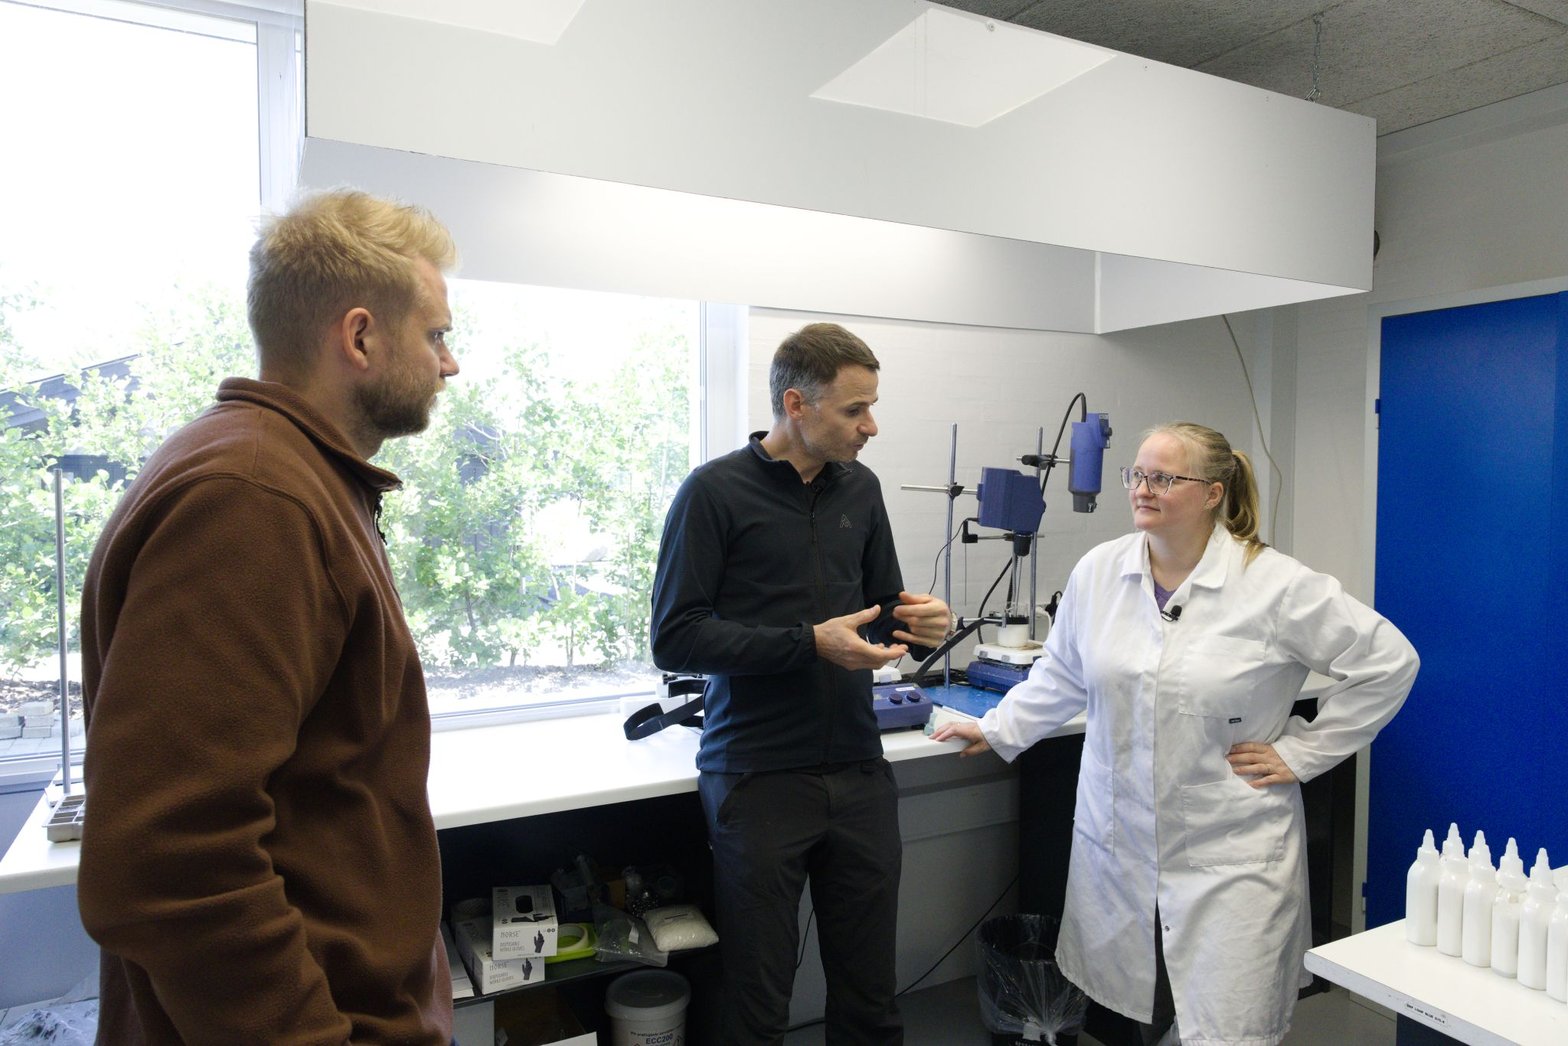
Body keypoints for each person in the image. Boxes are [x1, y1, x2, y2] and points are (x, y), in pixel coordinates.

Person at [76, 189, 461, 1044]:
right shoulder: (253, 497)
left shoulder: (291, 473)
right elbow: (167, 863)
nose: (450, 364)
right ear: (360, 337)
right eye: (436, 334)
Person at [933, 422, 1419, 1046]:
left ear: (1213, 493)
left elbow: (1389, 663)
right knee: (1143, 1006)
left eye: (1164, 478)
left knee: (1226, 1023)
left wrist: (1303, 752)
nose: (1143, 488)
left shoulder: (1273, 585)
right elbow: (1062, 675)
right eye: (1136, 475)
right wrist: (998, 729)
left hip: (1231, 847)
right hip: (1120, 845)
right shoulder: (1100, 572)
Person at [649, 322, 950, 1045]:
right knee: (758, 1000)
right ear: (796, 405)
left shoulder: (861, 489)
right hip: (757, 775)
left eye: (871, 407)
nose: (870, 426)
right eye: (854, 410)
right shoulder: (713, 492)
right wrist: (808, 643)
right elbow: (675, 638)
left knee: (870, 995)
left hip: (857, 768)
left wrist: (921, 622)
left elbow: (880, 613)